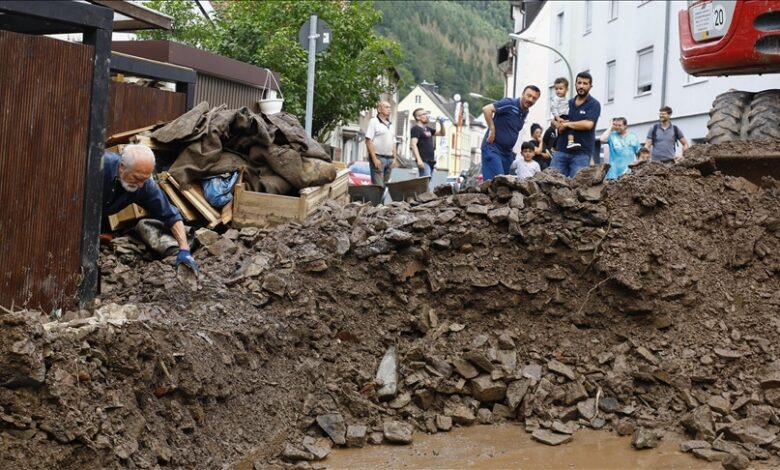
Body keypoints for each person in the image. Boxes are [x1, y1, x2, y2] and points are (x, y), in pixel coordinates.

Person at [102, 144, 198, 271]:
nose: (141, 185)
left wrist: (184, 249)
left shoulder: (143, 184)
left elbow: (170, 215)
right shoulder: (98, 164)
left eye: (145, 179)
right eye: (137, 178)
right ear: (121, 167)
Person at [480, 85, 541, 181]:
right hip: (493, 147)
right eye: (528, 95)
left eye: (534, 98)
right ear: (522, 94)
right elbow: (487, 109)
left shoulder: (525, 112)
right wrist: (492, 129)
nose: (530, 99)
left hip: (507, 153)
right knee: (497, 181)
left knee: (506, 184)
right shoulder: (509, 103)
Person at [550, 71, 601, 178]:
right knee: (551, 183)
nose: (581, 86)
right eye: (579, 83)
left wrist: (567, 124)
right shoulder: (567, 103)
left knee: (577, 187)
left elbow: (588, 124)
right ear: (575, 85)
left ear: (590, 86)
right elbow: (556, 122)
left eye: (585, 83)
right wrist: (556, 124)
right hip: (560, 151)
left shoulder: (594, 104)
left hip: (581, 154)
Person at [365, 100, 397, 186]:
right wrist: (374, 159)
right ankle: (376, 200)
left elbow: (393, 142)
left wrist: (394, 158)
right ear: (379, 109)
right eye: (386, 107)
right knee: (378, 186)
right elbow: (368, 141)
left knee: (386, 186)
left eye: (390, 107)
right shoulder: (374, 121)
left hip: (389, 159)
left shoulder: (391, 125)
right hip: (378, 157)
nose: (389, 109)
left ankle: (380, 200)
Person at [410, 108, 446, 178]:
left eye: (426, 114)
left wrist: (441, 124)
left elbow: (442, 133)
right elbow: (413, 144)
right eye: (424, 114)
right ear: (418, 117)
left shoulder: (428, 129)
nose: (427, 116)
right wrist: (419, 160)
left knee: (427, 181)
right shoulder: (416, 129)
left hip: (431, 161)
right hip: (423, 161)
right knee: (425, 181)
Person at [550, 77, 580, 151]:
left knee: (566, 130)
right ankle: (570, 142)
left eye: (560, 88)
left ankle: (556, 145)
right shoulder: (556, 98)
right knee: (571, 126)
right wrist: (557, 118)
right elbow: (554, 108)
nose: (558, 91)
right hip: (560, 116)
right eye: (556, 89)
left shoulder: (566, 100)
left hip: (564, 116)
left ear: (566, 89)